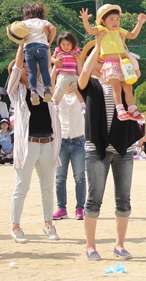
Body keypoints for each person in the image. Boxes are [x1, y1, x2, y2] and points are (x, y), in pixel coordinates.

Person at [78, 41, 142, 260]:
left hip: (124, 146)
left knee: (123, 199)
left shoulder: (122, 80)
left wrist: (118, 49)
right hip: (97, 148)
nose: (101, 58)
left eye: (105, 54)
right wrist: (98, 44)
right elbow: (84, 72)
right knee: (94, 198)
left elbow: (135, 70)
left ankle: (120, 245)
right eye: (97, 56)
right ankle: (90, 246)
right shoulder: (89, 83)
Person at [7, 42, 62, 244]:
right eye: (23, 67)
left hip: (47, 141)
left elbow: (45, 64)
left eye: (28, 66)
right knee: (22, 186)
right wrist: (22, 44)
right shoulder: (16, 91)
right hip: (28, 143)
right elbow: (16, 69)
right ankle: (15, 226)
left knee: (48, 187)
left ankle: (48, 224)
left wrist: (45, 41)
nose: (26, 69)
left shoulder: (41, 85)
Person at [53, 83, 86, 221]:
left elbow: (83, 102)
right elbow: (52, 88)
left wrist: (75, 88)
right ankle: (61, 208)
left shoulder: (79, 95)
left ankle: (80, 207)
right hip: (61, 141)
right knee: (60, 178)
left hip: (78, 140)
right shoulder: (58, 96)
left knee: (79, 177)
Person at [21, 2, 57, 105]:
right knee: (44, 70)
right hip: (42, 47)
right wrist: (50, 40)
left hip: (29, 48)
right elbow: (53, 29)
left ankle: (33, 91)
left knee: (32, 71)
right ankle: (47, 90)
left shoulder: (24, 23)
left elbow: (16, 30)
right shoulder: (43, 22)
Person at [51, 31, 82, 103]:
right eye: (63, 44)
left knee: (77, 87)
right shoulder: (59, 51)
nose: (66, 47)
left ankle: (82, 103)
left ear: (72, 43)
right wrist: (56, 61)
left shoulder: (75, 50)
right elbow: (52, 58)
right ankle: (56, 103)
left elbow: (80, 55)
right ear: (60, 44)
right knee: (59, 88)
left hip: (73, 74)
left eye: (68, 44)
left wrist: (78, 57)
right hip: (63, 74)